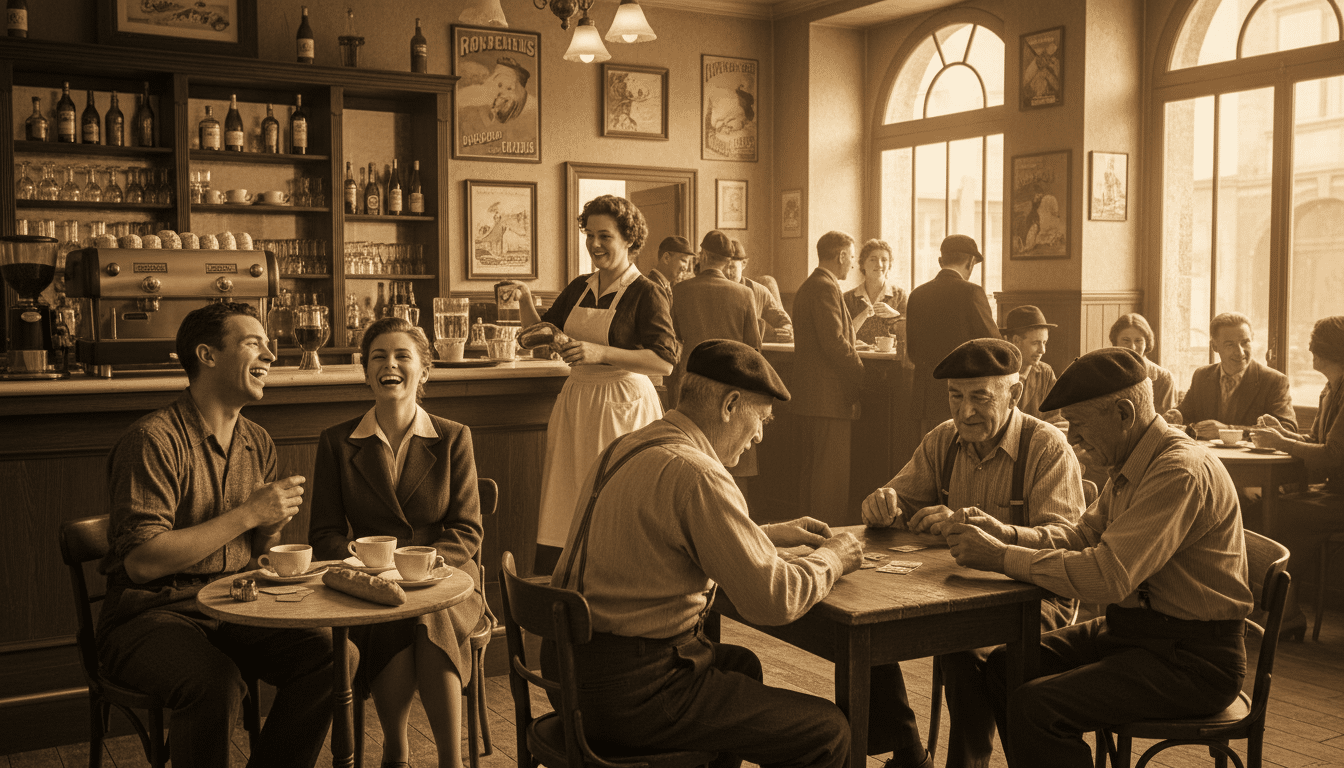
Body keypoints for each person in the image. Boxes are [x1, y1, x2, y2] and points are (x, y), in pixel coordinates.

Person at [548, 339, 863, 768]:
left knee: (742, 665)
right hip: (635, 693)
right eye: (762, 419)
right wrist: (835, 557)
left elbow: (668, 538)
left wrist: (764, 535)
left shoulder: (627, 446)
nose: (759, 436)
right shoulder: (698, 473)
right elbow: (773, 598)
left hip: (571, 672)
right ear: (731, 404)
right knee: (828, 731)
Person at [947, 347, 1253, 767]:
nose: (1072, 438)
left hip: (1193, 660)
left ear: (1124, 414)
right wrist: (1009, 533)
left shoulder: (1177, 470)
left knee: (1039, 707)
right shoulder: (1134, 459)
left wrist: (1001, 557)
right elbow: (1083, 535)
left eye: (1079, 425)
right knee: (1004, 665)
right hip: (1135, 634)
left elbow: (1107, 577)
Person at [98, 302, 341, 768]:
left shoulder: (257, 441)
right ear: (207, 355)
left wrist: (267, 531)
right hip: (151, 616)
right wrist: (250, 513)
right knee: (216, 682)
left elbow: (253, 553)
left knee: (333, 656)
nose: (270, 354)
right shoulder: (153, 439)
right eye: (253, 343)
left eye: (267, 343)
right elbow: (143, 562)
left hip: (233, 605)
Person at [860, 339, 1084, 768]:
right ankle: (908, 751)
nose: (965, 412)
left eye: (981, 398)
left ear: (1014, 394)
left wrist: (996, 537)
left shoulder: (1047, 448)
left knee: (964, 652)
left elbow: (1066, 541)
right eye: (955, 397)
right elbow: (899, 498)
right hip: (956, 591)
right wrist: (882, 504)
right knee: (866, 629)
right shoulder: (942, 440)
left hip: (1035, 596)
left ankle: (966, 765)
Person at [309, 317, 485, 768]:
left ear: (424, 370)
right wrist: (369, 565)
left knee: (432, 616)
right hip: (374, 577)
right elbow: (324, 533)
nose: (390, 364)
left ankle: (451, 761)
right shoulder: (336, 442)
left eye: (402, 356)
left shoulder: (453, 437)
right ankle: (397, 747)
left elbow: (467, 529)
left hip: (448, 575)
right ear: (365, 371)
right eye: (378, 357)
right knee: (391, 607)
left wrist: (418, 567)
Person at [504, 195, 677, 575]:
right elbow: (544, 332)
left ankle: (613, 584)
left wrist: (600, 353)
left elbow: (664, 360)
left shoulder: (646, 292)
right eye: (589, 235)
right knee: (565, 497)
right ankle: (563, 589)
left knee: (613, 498)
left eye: (605, 236)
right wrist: (525, 300)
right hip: (578, 402)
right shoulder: (580, 286)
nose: (594, 244)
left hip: (623, 402)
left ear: (629, 239)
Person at [1247, 315, 1344, 636]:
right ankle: (1283, 611)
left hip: (1340, 495)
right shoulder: (1331, 388)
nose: (1310, 351)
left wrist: (1282, 443)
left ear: (1325, 351)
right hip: (1332, 491)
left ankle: (1282, 612)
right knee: (1272, 507)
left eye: (1314, 345)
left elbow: (1332, 457)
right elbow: (1317, 443)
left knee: (1279, 512)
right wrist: (1279, 434)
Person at [792, 231, 865, 523]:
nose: (853, 264)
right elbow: (834, 341)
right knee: (829, 479)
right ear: (841, 256)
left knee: (812, 473)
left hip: (811, 398)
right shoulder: (825, 287)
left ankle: (809, 535)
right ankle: (827, 540)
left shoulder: (810, 285)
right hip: (828, 399)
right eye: (852, 257)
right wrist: (859, 370)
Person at [906, 235, 1000, 437]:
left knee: (932, 456)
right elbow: (994, 344)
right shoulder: (972, 292)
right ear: (971, 262)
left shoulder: (917, 294)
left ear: (941, 261)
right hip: (964, 396)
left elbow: (912, 352)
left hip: (926, 395)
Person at [668, 230, 762, 408]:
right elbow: (754, 347)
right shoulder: (745, 294)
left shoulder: (680, 291)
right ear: (727, 263)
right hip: (730, 383)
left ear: (702, 256)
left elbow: (672, 338)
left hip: (691, 380)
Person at [1170, 311, 1298, 438]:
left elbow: (1287, 430)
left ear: (1252, 339)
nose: (1240, 352)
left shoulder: (1274, 381)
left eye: (1245, 342)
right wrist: (1175, 417)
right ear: (1214, 346)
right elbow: (1184, 414)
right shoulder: (1201, 376)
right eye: (1230, 345)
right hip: (1206, 456)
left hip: (1251, 458)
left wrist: (1228, 431)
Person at [1002, 305, 1064, 426]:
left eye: (1044, 342)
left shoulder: (1045, 372)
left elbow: (1057, 416)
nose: (1042, 350)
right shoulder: (999, 373)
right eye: (1036, 343)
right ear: (1016, 341)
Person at [725, 238, 794, 342]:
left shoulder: (759, 291)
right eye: (723, 268)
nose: (726, 272)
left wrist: (778, 334)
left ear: (744, 264)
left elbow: (784, 323)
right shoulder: (715, 291)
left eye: (732, 267)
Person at [842, 239, 907, 345]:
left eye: (884, 260)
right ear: (863, 263)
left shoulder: (900, 295)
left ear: (889, 264)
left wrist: (894, 314)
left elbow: (908, 336)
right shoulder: (848, 298)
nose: (879, 264)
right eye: (873, 259)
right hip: (859, 358)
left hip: (890, 360)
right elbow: (842, 336)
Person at [1109, 313, 1175, 414]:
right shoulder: (1105, 372)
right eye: (1126, 340)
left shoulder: (1163, 378)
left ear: (1147, 343)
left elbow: (1166, 421)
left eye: (1138, 341)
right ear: (1115, 342)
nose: (1132, 347)